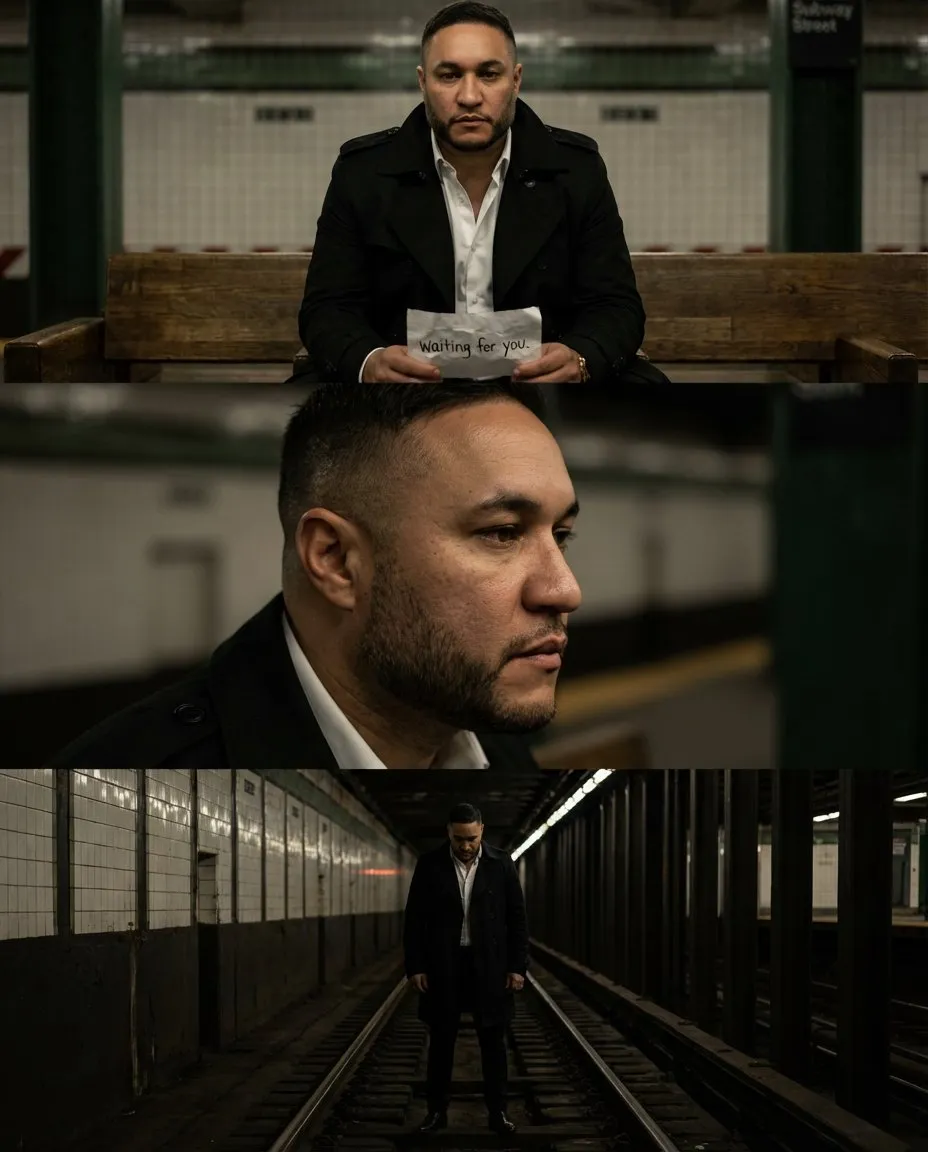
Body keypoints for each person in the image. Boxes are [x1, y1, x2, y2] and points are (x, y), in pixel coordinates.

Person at [47, 381, 582, 772]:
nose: (564, 590)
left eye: (560, 535)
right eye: (502, 532)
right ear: (335, 560)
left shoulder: (502, 748)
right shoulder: (122, 777)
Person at [296, 1, 645, 389]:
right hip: (405, 396)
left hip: (540, 392)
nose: (469, 95)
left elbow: (616, 306)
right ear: (422, 81)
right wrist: (368, 359)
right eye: (449, 75)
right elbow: (328, 308)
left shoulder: (575, 171)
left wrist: (581, 357)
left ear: (515, 80)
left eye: (488, 74)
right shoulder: (364, 174)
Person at [404, 802, 527, 1134]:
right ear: (448, 832)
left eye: (471, 838)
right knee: (441, 1042)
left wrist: (517, 966)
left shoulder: (501, 864)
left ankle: (498, 1113)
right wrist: (415, 965)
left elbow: (517, 918)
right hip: (445, 964)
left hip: (489, 965)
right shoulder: (430, 865)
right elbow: (414, 919)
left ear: (482, 831)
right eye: (459, 838)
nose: (466, 845)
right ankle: (435, 1113)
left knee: (493, 1043)